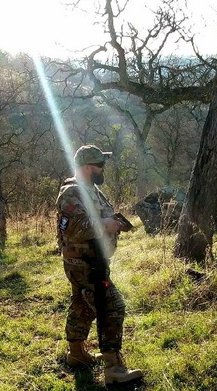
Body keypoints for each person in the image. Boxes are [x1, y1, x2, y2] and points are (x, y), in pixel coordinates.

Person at [56, 144, 143, 385]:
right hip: (83, 262)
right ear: (86, 167)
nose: (104, 169)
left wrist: (114, 223)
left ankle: (76, 355)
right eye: (100, 165)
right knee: (112, 306)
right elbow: (76, 226)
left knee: (83, 305)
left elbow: (98, 218)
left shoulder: (92, 189)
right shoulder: (71, 193)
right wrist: (106, 224)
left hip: (94, 260)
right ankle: (113, 368)